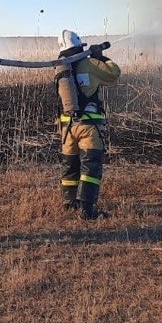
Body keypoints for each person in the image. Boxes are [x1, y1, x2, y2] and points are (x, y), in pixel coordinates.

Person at [55, 30, 121, 220]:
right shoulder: (89, 63)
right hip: (88, 125)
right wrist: (101, 57)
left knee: (70, 166)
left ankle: (69, 203)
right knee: (90, 167)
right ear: (78, 45)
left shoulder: (60, 67)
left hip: (67, 127)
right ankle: (87, 209)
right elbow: (114, 74)